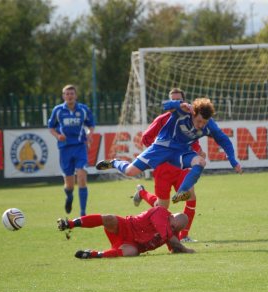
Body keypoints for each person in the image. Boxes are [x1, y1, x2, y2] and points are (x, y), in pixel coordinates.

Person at [96, 97, 243, 204]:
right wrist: (179, 104)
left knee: (200, 162)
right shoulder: (182, 112)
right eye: (199, 121)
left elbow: (224, 141)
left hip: (181, 152)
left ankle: (181, 192)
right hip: (161, 147)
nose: (200, 125)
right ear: (193, 113)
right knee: (130, 171)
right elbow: (165, 105)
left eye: (204, 122)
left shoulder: (210, 126)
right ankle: (115, 162)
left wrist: (233, 160)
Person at [132, 88, 204, 243]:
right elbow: (146, 138)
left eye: (179, 100)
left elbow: (194, 141)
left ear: (184, 102)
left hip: (181, 169)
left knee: (191, 197)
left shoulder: (190, 119)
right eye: (173, 101)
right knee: (162, 207)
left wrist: (199, 152)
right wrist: (162, 151)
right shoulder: (162, 119)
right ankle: (143, 193)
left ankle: (184, 236)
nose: (175, 105)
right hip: (163, 169)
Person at [56, 206, 195, 258]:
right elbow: (171, 239)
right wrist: (187, 250)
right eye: (173, 226)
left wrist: (181, 249)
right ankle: (70, 223)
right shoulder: (161, 212)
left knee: (131, 253)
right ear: (170, 216)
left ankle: (91, 254)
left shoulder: (172, 234)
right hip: (126, 227)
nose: (172, 230)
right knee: (109, 218)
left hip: (132, 244)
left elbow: (174, 248)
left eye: (176, 229)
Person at [48, 84, 95, 215]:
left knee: (81, 177)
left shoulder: (83, 109)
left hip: (80, 147)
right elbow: (51, 127)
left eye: (72, 94)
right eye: (67, 94)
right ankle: (69, 197)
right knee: (69, 184)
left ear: (76, 95)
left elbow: (91, 125)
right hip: (65, 149)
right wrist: (58, 136)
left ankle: (83, 212)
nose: (69, 96)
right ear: (63, 96)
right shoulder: (58, 110)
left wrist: (90, 135)